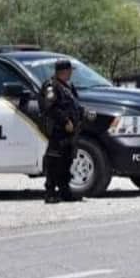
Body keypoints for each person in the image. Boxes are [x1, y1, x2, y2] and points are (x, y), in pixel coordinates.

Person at [40, 59, 84, 204]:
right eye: (69, 70)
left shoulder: (69, 86)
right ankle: (50, 192)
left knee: (66, 161)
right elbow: (50, 107)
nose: (71, 73)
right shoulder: (51, 87)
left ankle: (65, 191)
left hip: (70, 132)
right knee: (54, 161)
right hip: (58, 130)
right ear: (62, 71)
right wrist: (65, 121)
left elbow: (75, 105)